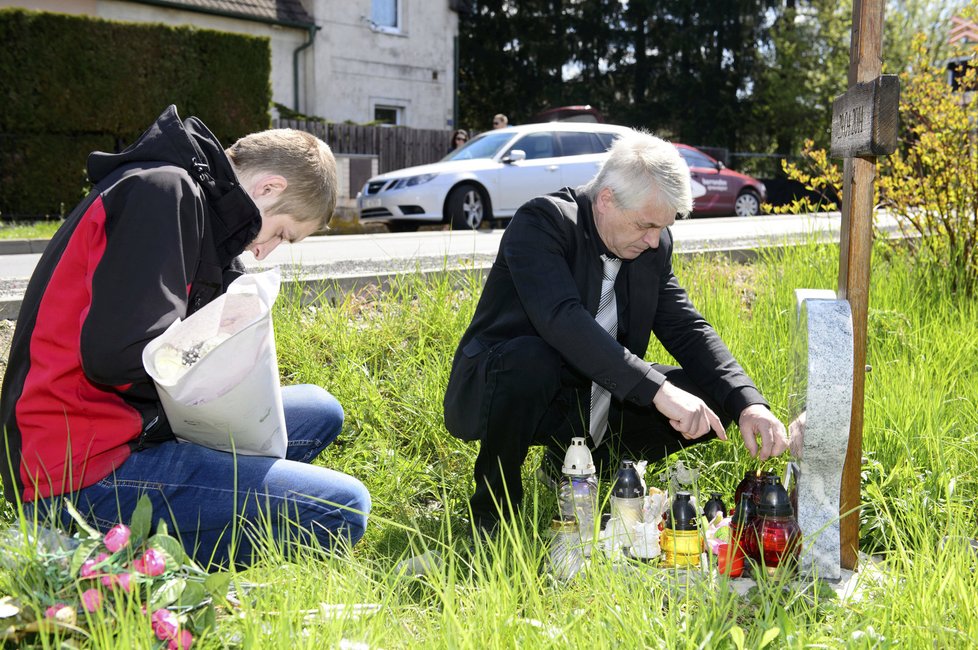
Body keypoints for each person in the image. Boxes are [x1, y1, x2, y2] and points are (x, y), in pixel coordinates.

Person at [0, 105, 370, 567]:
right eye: (280, 233)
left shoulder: (204, 214)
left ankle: (183, 519)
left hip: (131, 428)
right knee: (344, 507)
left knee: (319, 409)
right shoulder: (162, 193)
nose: (266, 249)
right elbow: (117, 355)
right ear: (269, 187)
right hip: (77, 468)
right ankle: (97, 556)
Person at [443, 129, 788, 533]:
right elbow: (563, 321)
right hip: (507, 387)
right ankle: (492, 516)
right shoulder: (542, 224)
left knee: (711, 396)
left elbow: (687, 328)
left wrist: (748, 403)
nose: (654, 239)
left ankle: (592, 466)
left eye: (663, 227)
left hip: (594, 392)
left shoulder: (651, 246)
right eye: (646, 225)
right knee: (532, 360)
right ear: (606, 199)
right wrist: (658, 391)